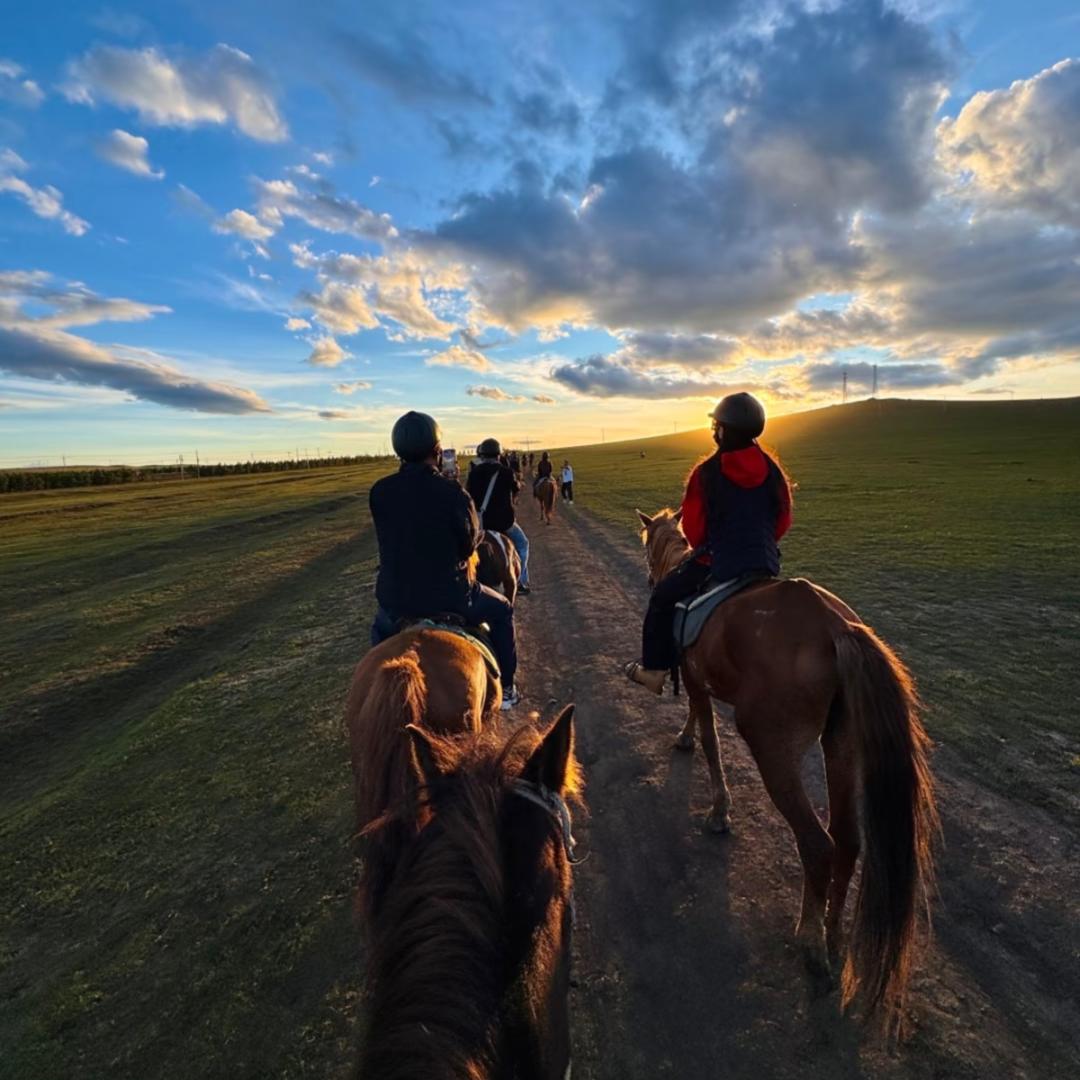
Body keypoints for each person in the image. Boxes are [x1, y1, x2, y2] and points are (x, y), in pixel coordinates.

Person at [624, 392, 793, 695]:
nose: (715, 431)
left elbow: (693, 528)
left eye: (716, 426)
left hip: (717, 562)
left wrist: (712, 548)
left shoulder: (706, 473)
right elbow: (783, 520)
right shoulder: (773, 471)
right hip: (764, 562)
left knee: (662, 597)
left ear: (724, 431)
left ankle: (653, 671)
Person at [369, 411, 520, 709]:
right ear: (438, 452)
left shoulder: (379, 492)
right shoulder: (453, 493)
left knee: (379, 631)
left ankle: (377, 687)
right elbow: (468, 546)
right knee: (503, 610)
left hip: (396, 599)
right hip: (452, 598)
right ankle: (508, 686)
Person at [467, 437, 532, 595]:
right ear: (498, 455)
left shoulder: (474, 473)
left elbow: (468, 495)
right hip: (504, 523)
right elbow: (515, 489)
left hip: (481, 524)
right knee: (523, 544)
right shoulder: (506, 472)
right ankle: (520, 581)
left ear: (482, 455)